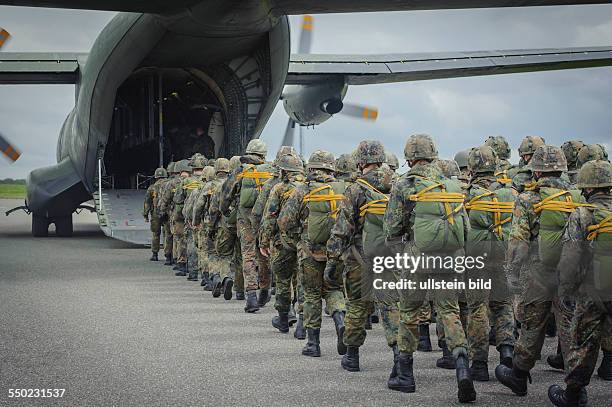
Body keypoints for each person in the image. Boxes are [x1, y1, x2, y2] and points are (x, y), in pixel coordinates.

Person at [384, 134, 475, 403]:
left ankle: (405, 375)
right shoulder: (451, 184)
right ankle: (462, 368)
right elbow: (466, 227)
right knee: (449, 310)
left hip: (418, 255)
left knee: (409, 311)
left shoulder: (404, 184)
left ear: (410, 158)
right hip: (450, 255)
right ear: (434, 155)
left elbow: (392, 228)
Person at [496, 145, 588, 400]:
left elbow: (518, 242)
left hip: (539, 273)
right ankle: (576, 388)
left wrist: (512, 274)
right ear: (562, 168)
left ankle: (518, 376)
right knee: (571, 328)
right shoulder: (578, 196)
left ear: (536, 171)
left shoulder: (528, 199)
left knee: (532, 324)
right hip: (573, 273)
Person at [325, 140, 400, 374]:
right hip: (391, 258)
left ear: (360, 162)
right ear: (381, 159)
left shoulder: (355, 189)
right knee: (391, 307)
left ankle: (352, 356)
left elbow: (342, 230)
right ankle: (401, 360)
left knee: (357, 306)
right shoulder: (399, 186)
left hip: (359, 259)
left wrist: (333, 261)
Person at [548, 160, 612, 406]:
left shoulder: (583, 214)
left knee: (582, 342)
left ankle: (574, 395)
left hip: (593, 288)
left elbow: (571, 258)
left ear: (585, 187)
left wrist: (565, 287)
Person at [278, 150, 347, 356]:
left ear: (312, 168)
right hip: (337, 251)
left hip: (309, 251)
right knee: (334, 289)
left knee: (311, 294)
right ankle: (340, 320)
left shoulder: (303, 190)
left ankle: (313, 344)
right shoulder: (345, 189)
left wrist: (295, 234)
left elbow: (284, 221)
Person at [463, 145, 516, 380]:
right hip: (502, 255)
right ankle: (507, 351)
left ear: (472, 167)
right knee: (503, 305)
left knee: (477, 309)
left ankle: (480, 365)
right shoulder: (511, 193)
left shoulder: (467, 194)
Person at [220, 139, 274, 312]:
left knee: (248, 255)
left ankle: (251, 296)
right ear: (263, 154)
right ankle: (264, 289)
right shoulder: (271, 171)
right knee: (265, 254)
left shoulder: (240, 171)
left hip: (245, 220)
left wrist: (225, 211)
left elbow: (226, 194)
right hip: (265, 220)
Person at [259, 154, 306, 333]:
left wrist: (263, 241)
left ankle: (284, 318)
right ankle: (302, 323)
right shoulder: (308, 188)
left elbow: (269, 217)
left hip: (283, 242)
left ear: (284, 171)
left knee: (283, 281)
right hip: (305, 243)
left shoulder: (279, 188)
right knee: (302, 283)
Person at [170, 160, 194, 276]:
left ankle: (182, 263)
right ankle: (194, 267)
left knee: (180, 239)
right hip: (195, 216)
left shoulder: (177, 183)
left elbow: (177, 199)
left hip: (181, 215)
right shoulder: (200, 181)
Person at [143, 167, 168, 261]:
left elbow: (147, 202)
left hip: (155, 213)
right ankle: (168, 255)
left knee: (155, 234)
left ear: (156, 176)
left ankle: (155, 254)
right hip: (166, 212)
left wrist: (145, 214)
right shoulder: (168, 185)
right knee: (167, 234)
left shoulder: (152, 187)